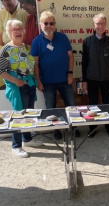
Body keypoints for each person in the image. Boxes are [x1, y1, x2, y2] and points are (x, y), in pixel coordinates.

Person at [0, 19, 43, 158]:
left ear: (24, 32)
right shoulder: (6, 49)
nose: (17, 32)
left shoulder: (24, 46)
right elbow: (0, 71)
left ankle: (27, 139)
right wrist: (16, 81)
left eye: (20, 29)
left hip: (29, 86)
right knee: (18, 116)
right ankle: (16, 146)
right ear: (9, 33)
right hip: (17, 89)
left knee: (28, 113)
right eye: (14, 29)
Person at [31, 11, 79, 140]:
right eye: (45, 23)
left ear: (55, 25)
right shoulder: (36, 42)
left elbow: (70, 56)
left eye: (51, 23)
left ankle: (74, 128)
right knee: (51, 108)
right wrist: (38, 81)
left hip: (64, 79)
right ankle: (56, 130)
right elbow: (35, 63)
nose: (48, 26)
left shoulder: (63, 38)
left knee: (71, 105)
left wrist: (70, 73)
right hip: (47, 82)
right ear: (40, 24)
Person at [81, 13, 109, 138]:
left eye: (102, 23)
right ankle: (92, 128)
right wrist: (84, 80)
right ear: (94, 25)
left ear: (106, 25)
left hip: (106, 79)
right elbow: (84, 63)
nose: (100, 26)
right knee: (92, 104)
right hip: (91, 79)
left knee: (107, 103)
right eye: (98, 23)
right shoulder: (87, 41)